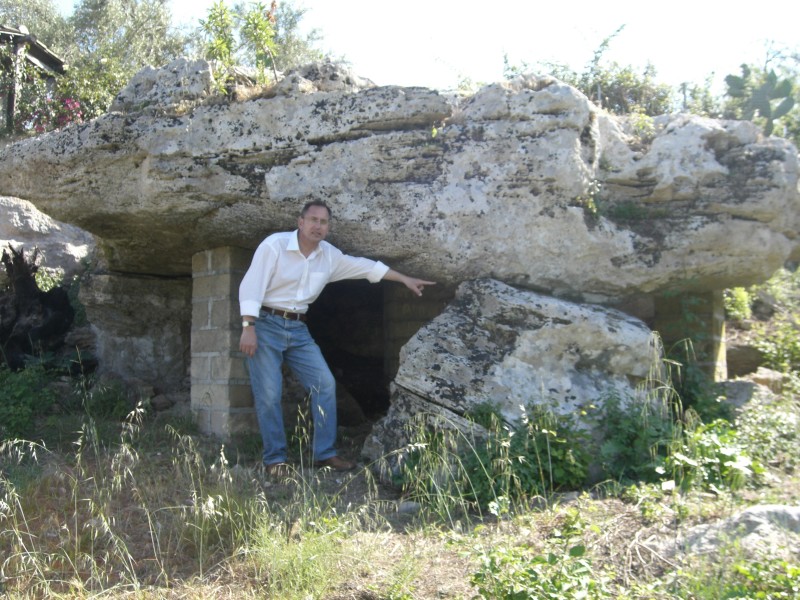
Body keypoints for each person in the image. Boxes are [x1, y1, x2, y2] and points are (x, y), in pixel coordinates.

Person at [239, 200, 436, 475]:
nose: (318, 226)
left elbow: (366, 268)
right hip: (265, 324)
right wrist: (248, 325)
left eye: (323, 222)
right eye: (313, 220)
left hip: (298, 329)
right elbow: (251, 284)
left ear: (328, 227)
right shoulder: (274, 245)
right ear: (301, 222)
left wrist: (403, 279)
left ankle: (325, 454)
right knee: (269, 394)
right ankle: (275, 460)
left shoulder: (329, 256)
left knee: (324, 384)